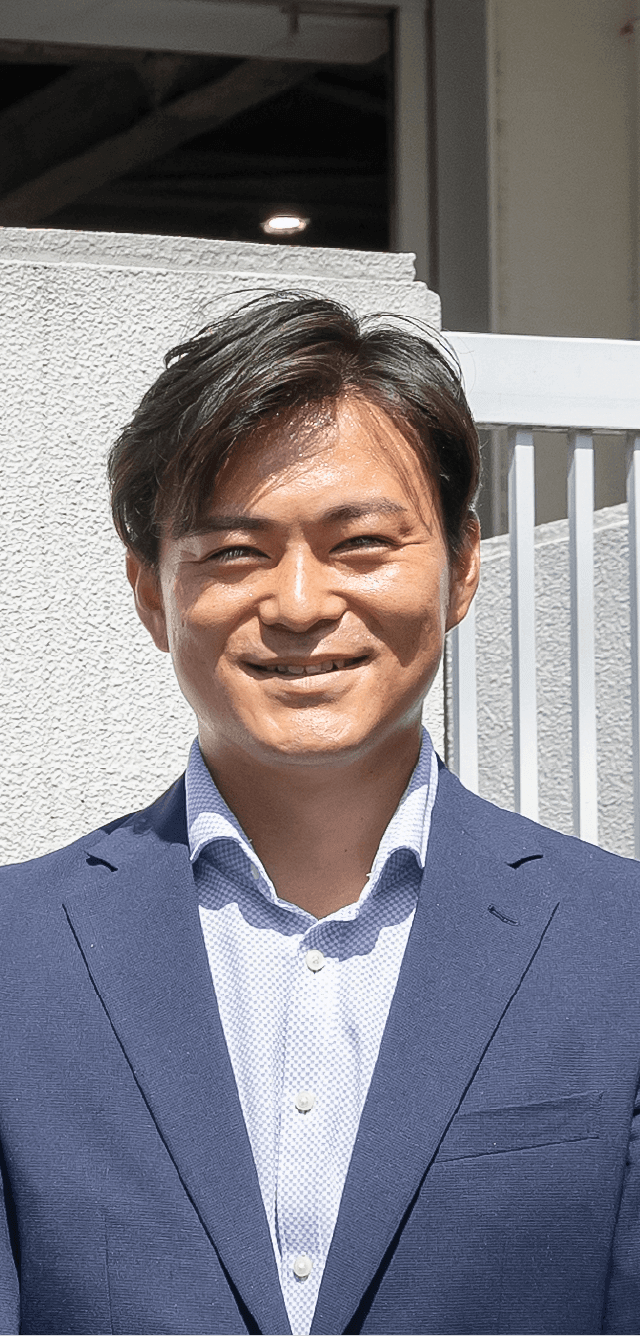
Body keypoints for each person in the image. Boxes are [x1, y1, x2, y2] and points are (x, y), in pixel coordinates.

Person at [1, 292, 640, 1336]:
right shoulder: (18, 953)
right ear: (152, 592)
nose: (298, 603)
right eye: (235, 552)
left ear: (462, 567)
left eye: (362, 544)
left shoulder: (617, 944)